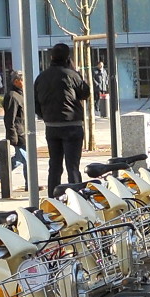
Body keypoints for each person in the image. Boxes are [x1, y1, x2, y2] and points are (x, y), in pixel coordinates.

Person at [33, 41, 87, 193]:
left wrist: (45, 117)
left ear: (51, 57)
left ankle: (52, 198)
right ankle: (76, 197)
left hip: (52, 126)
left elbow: (35, 102)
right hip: (72, 125)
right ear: (68, 57)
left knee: (55, 166)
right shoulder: (72, 75)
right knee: (73, 167)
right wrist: (75, 71)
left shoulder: (41, 77)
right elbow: (86, 93)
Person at [0, 68, 30, 189]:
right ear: (16, 81)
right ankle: (30, 184)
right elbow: (10, 118)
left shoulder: (20, 94)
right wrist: (13, 136)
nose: (25, 82)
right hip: (19, 133)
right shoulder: (13, 96)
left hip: (23, 131)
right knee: (28, 159)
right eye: (23, 80)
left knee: (19, 159)